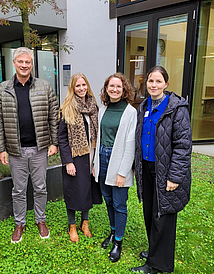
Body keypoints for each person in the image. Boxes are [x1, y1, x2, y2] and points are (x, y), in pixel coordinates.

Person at [0, 47, 59, 243]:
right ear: (14, 63)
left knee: (40, 187)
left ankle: (41, 220)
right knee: (18, 190)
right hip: (15, 151)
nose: (24, 65)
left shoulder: (44, 86)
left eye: (27, 62)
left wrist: (54, 142)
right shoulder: (3, 89)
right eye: (20, 62)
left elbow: (53, 116)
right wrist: (1, 149)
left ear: (32, 64)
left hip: (39, 149)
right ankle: (20, 223)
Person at [132, 66, 192, 274]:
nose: (154, 85)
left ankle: (158, 265)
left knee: (163, 216)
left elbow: (183, 146)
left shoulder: (177, 108)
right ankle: (154, 251)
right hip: (147, 168)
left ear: (166, 84)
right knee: (150, 212)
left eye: (158, 81)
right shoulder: (144, 106)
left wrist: (174, 177)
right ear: (146, 83)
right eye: (150, 81)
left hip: (166, 171)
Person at [93, 72, 136, 262]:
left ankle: (118, 241)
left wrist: (122, 172)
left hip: (118, 160)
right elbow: (99, 138)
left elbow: (130, 144)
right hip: (102, 157)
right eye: (111, 86)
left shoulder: (130, 112)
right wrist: (95, 163)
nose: (115, 89)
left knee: (119, 204)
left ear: (124, 89)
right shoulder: (103, 109)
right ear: (106, 89)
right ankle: (112, 232)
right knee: (108, 200)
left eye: (118, 86)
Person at [58, 73, 102, 243]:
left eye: (84, 85)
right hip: (75, 157)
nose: (82, 88)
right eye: (78, 86)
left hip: (91, 154)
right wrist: (68, 161)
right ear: (72, 88)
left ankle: (85, 223)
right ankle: (72, 226)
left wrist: (95, 160)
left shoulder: (93, 106)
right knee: (73, 191)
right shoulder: (67, 107)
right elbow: (61, 138)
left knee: (88, 189)